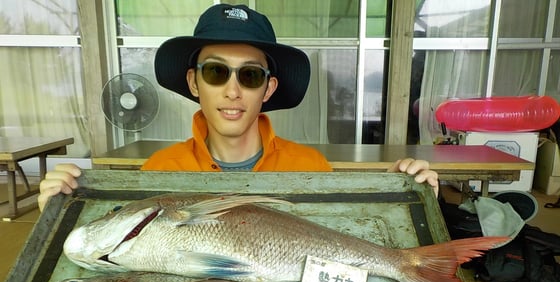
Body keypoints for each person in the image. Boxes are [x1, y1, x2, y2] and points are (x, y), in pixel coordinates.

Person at [38, 4, 438, 211]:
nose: (232, 91)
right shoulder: (158, 173)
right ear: (194, 82)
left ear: (268, 88)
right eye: (216, 72)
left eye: (249, 75)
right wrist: (63, 212)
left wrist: (400, 199)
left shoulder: (311, 170)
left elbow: (346, 251)